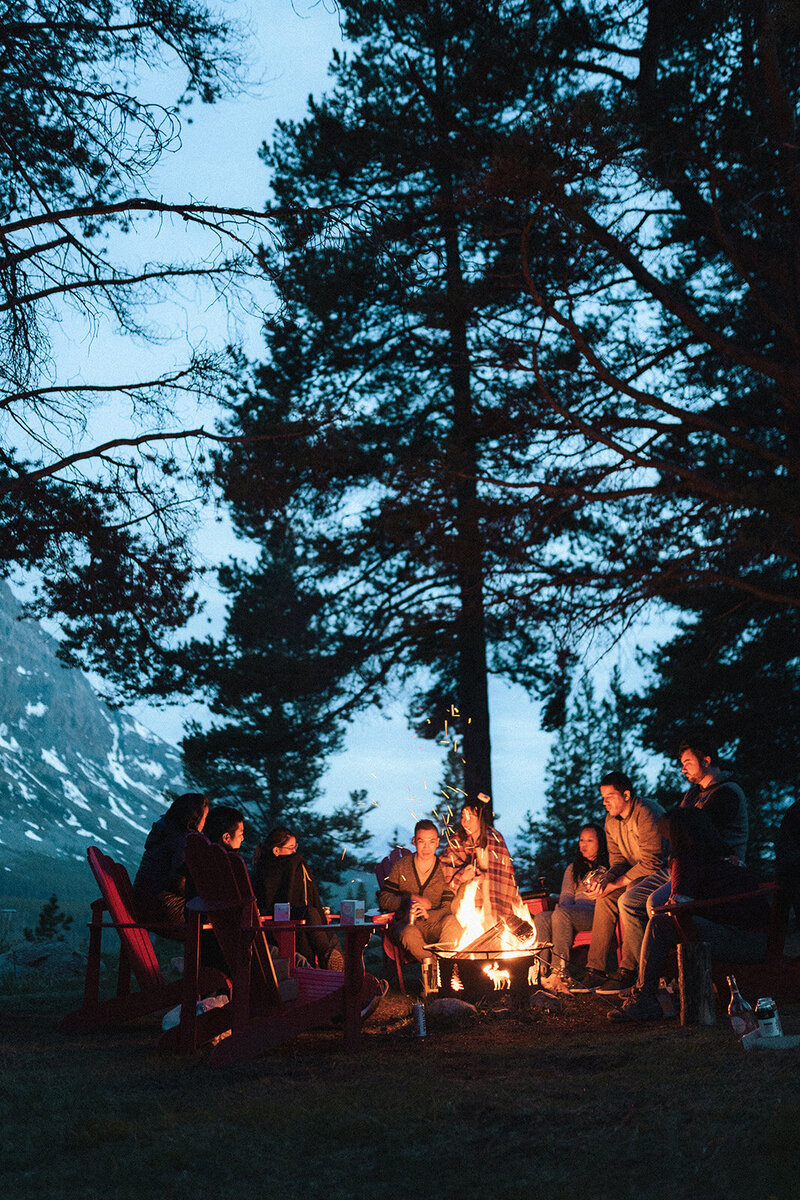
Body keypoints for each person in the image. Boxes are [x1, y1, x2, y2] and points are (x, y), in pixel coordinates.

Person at [609, 806, 770, 1022]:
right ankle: (653, 989)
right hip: (760, 939)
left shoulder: (687, 860)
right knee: (669, 923)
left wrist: (670, 905)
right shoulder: (724, 856)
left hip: (739, 942)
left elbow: (679, 906)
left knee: (659, 924)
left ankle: (646, 996)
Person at [572, 772, 668, 994]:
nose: (605, 802)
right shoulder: (610, 821)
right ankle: (595, 969)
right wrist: (607, 878)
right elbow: (618, 860)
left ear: (626, 794)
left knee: (629, 895)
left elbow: (653, 861)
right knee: (605, 898)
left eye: (610, 796)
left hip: (660, 875)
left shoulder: (646, 812)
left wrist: (617, 883)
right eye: (602, 797)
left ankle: (629, 970)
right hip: (635, 874)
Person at [251, 827, 344, 971]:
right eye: (291, 848)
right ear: (276, 851)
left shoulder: (273, 867)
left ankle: (336, 967)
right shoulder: (274, 870)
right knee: (314, 922)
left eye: (296, 848)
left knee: (317, 924)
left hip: (295, 923)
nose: (295, 853)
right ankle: (336, 969)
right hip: (275, 928)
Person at [536, 824, 609, 994]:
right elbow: (567, 896)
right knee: (541, 917)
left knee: (562, 914)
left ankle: (559, 972)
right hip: (572, 911)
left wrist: (563, 914)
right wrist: (561, 913)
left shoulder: (608, 866)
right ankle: (541, 973)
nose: (584, 844)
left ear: (601, 843)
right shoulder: (573, 868)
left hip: (596, 912)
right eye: (581, 840)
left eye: (590, 840)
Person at [378, 820, 463, 962]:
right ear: (414, 842)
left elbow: (448, 907)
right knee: (408, 933)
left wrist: (428, 915)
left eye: (431, 842)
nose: (426, 847)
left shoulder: (444, 869)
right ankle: (438, 966)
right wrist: (409, 899)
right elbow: (384, 899)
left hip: (436, 925)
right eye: (421, 841)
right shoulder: (402, 866)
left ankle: (440, 963)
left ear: (437, 842)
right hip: (408, 924)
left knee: (453, 923)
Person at [440, 795, 526, 929]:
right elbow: (445, 866)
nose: (465, 822)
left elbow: (505, 875)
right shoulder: (457, 841)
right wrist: (462, 876)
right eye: (463, 817)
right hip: (467, 898)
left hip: (493, 897)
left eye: (470, 818)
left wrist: (485, 877)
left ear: (480, 819)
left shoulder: (494, 839)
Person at [133, 792, 209, 927]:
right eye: (204, 817)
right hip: (163, 906)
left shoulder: (165, 831)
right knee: (217, 921)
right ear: (195, 818)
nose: (204, 823)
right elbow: (178, 882)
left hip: (144, 902)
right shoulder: (183, 840)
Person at [677, 735, 749, 862]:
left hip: (720, 868)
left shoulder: (728, 792)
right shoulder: (692, 794)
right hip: (690, 866)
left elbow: (700, 832)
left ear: (706, 761)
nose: (683, 770)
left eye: (687, 763)